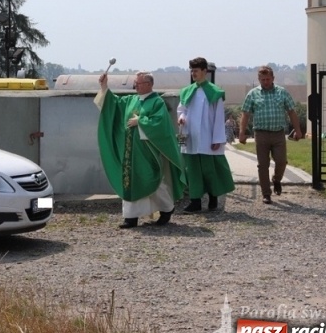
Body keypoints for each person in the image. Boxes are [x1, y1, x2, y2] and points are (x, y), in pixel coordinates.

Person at [96, 71, 186, 228]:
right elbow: (113, 104)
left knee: (152, 180)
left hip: (147, 151)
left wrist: (142, 121)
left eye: (138, 84)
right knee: (130, 181)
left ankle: (167, 209)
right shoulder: (131, 99)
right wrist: (104, 86)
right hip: (129, 151)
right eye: (135, 83)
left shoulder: (157, 102)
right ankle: (130, 217)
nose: (135, 86)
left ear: (149, 85)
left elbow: (161, 124)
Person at [239, 65, 304, 204]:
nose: (265, 82)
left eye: (268, 79)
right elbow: (245, 113)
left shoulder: (282, 93)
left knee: (281, 161)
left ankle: (276, 179)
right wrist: (242, 132)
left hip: (278, 133)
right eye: (262, 79)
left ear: (273, 78)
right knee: (263, 165)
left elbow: (291, 111)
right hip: (261, 134)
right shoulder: (253, 94)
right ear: (259, 79)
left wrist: (298, 130)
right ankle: (266, 194)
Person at [177, 57, 235, 212]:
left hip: (208, 137)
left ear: (204, 71)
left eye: (196, 70)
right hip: (191, 137)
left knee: (210, 169)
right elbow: (182, 110)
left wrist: (217, 138)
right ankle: (195, 201)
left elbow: (218, 117)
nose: (193, 73)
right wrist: (181, 118)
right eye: (191, 70)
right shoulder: (187, 91)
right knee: (193, 169)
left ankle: (213, 197)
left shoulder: (214, 92)